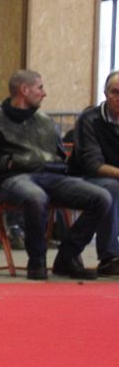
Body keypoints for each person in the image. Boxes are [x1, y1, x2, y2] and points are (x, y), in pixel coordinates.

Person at [0, 69, 111, 280]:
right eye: (40, 87)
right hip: (13, 179)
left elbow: (61, 157)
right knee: (36, 197)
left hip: (53, 176)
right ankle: (37, 260)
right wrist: (8, 162)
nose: (44, 93)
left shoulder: (45, 121)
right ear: (24, 90)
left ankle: (67, 257)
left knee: (101, 197)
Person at [67, 70, 119, 277]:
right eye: (115, 92)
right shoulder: (89, 120)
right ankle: (110, 257)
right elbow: (92, 164)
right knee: (113, 189)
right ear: (105, 93)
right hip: (85, 178)